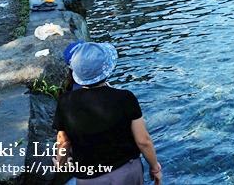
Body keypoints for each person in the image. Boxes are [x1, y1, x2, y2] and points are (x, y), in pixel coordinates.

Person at [53, 42, 162, 184]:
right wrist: (155, 168)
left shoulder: (64, 102)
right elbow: (143, 141)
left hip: (89, 178)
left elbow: (64, 142)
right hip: (126, 171)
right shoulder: (125, 97)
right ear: (107, 69)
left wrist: (60, 165)